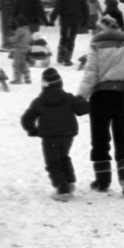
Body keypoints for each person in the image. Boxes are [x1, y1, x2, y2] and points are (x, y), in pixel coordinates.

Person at [76, 18, 124, 195]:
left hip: (101, 96)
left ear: (100, 30)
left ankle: (102, 180)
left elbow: (90, 74)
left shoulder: (97, 46)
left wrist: (81, 96)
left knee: (100, 139)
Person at [20, 67, 89, 200]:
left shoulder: (39, 101)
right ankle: (69, 182)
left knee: (53, 162)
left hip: (50, 136)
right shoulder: (68, 98)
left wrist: (33, 131)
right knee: (64, 156)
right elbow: (83, 108)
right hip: (68, 135)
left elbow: (26, 119)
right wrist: (82, 100)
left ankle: (63, 190)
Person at [50, 0, 92, 65]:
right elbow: (85, 10)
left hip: (64, 20)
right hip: (75, 21)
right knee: (72, 39)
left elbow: (57, 8)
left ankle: (60, 56)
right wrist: (85, 21)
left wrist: (52, 19)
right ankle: (67, 59)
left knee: (63, 37)